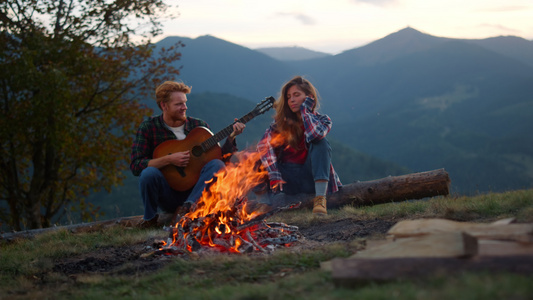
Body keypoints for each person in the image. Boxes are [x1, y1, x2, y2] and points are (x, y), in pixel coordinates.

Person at [130, 81, 246, 228]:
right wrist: (168, 159)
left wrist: (232, 137)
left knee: (217, 165)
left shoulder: (198, 127)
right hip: (167, 194)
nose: (184, 107)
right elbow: (136, 165)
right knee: (148, 173)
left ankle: (187, 211)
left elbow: (220, 161)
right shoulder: (149, 128)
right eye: (179, 104)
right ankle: (150, 219)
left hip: (197, 193)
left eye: (185, 103)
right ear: (163, 105)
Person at [256, 76, 341, 216]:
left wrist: (305, 112)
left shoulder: (323, 120)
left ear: (309, 97)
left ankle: (320, 199)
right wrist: (274, 175)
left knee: (321, 143)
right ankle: (263, 203)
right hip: (287, 181)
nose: (292, 100)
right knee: (256, 153)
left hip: (310, 178)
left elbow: (315, 135)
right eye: (288, 97)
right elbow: (263, 148)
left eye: (296, 95)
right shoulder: (279, 126)